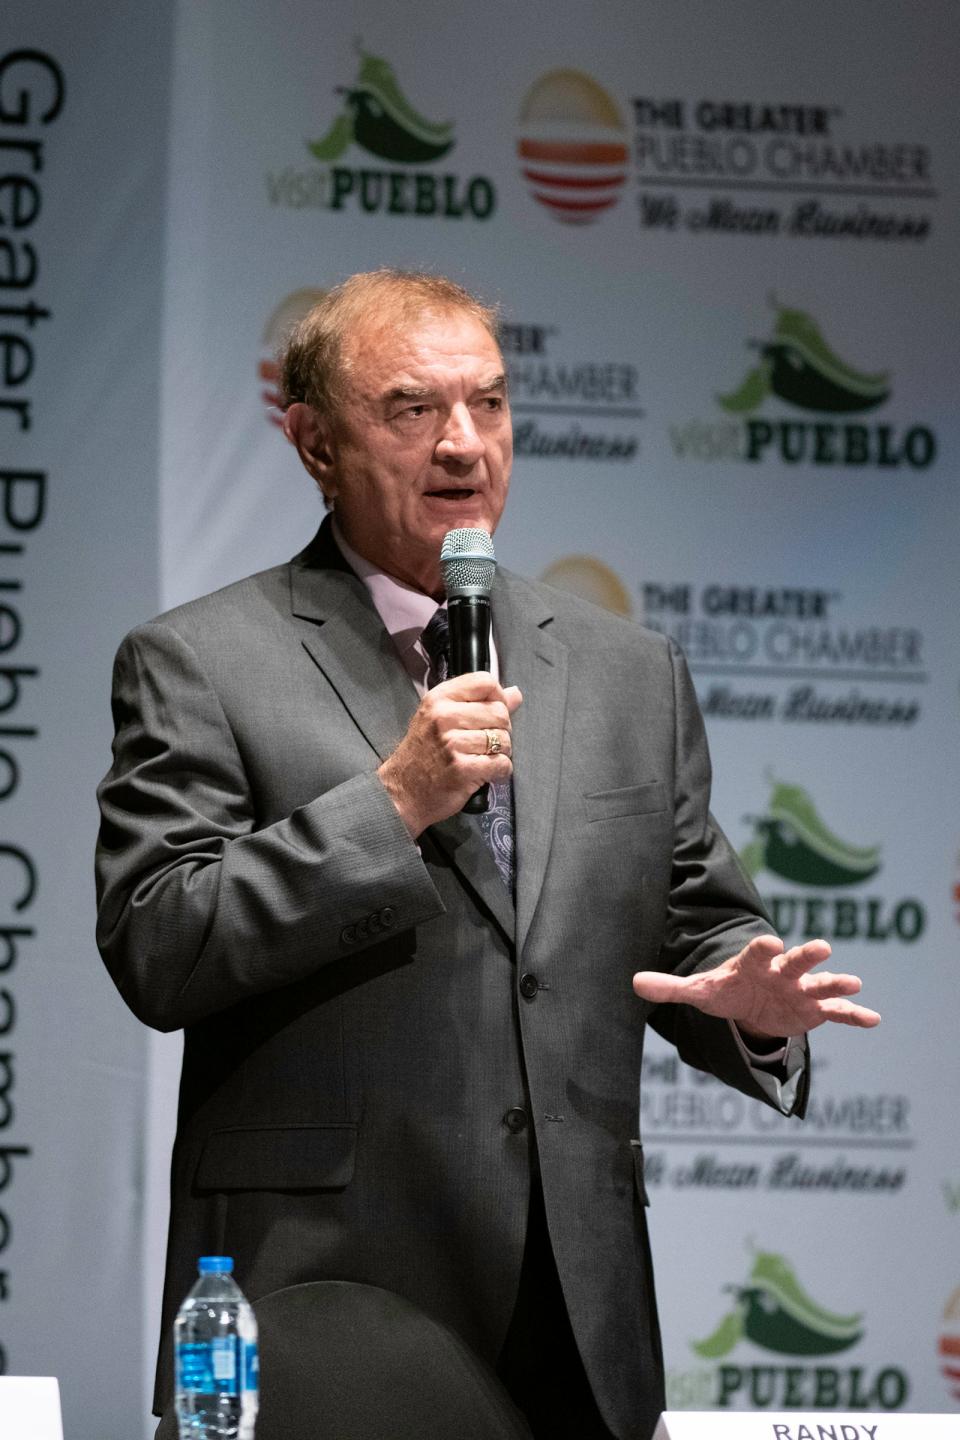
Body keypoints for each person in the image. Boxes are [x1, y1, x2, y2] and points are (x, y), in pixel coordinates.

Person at [95, 270, 879, 1440]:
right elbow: (161, 943)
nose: (464, 443)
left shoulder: (625, 671)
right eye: (412, 409)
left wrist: (752, 1005)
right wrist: (391, 804)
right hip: (323, 1299)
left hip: (575, 1302)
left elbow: (697, 925)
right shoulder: (201, 661)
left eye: (491, 405)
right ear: (312, 441)